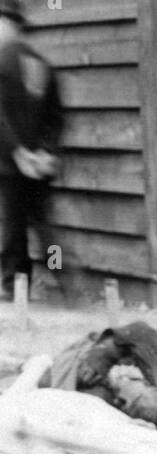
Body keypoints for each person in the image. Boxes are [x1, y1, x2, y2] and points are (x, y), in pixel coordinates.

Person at [0, 0, 62, 299]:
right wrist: (46, 152)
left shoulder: (2, 61)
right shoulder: (41, 64)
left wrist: (17, 152)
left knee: (14, 224)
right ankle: (63, 280)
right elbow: (55, 119)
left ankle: (15, 285)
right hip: (38, 162)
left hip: (12, 161)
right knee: (41, 223)